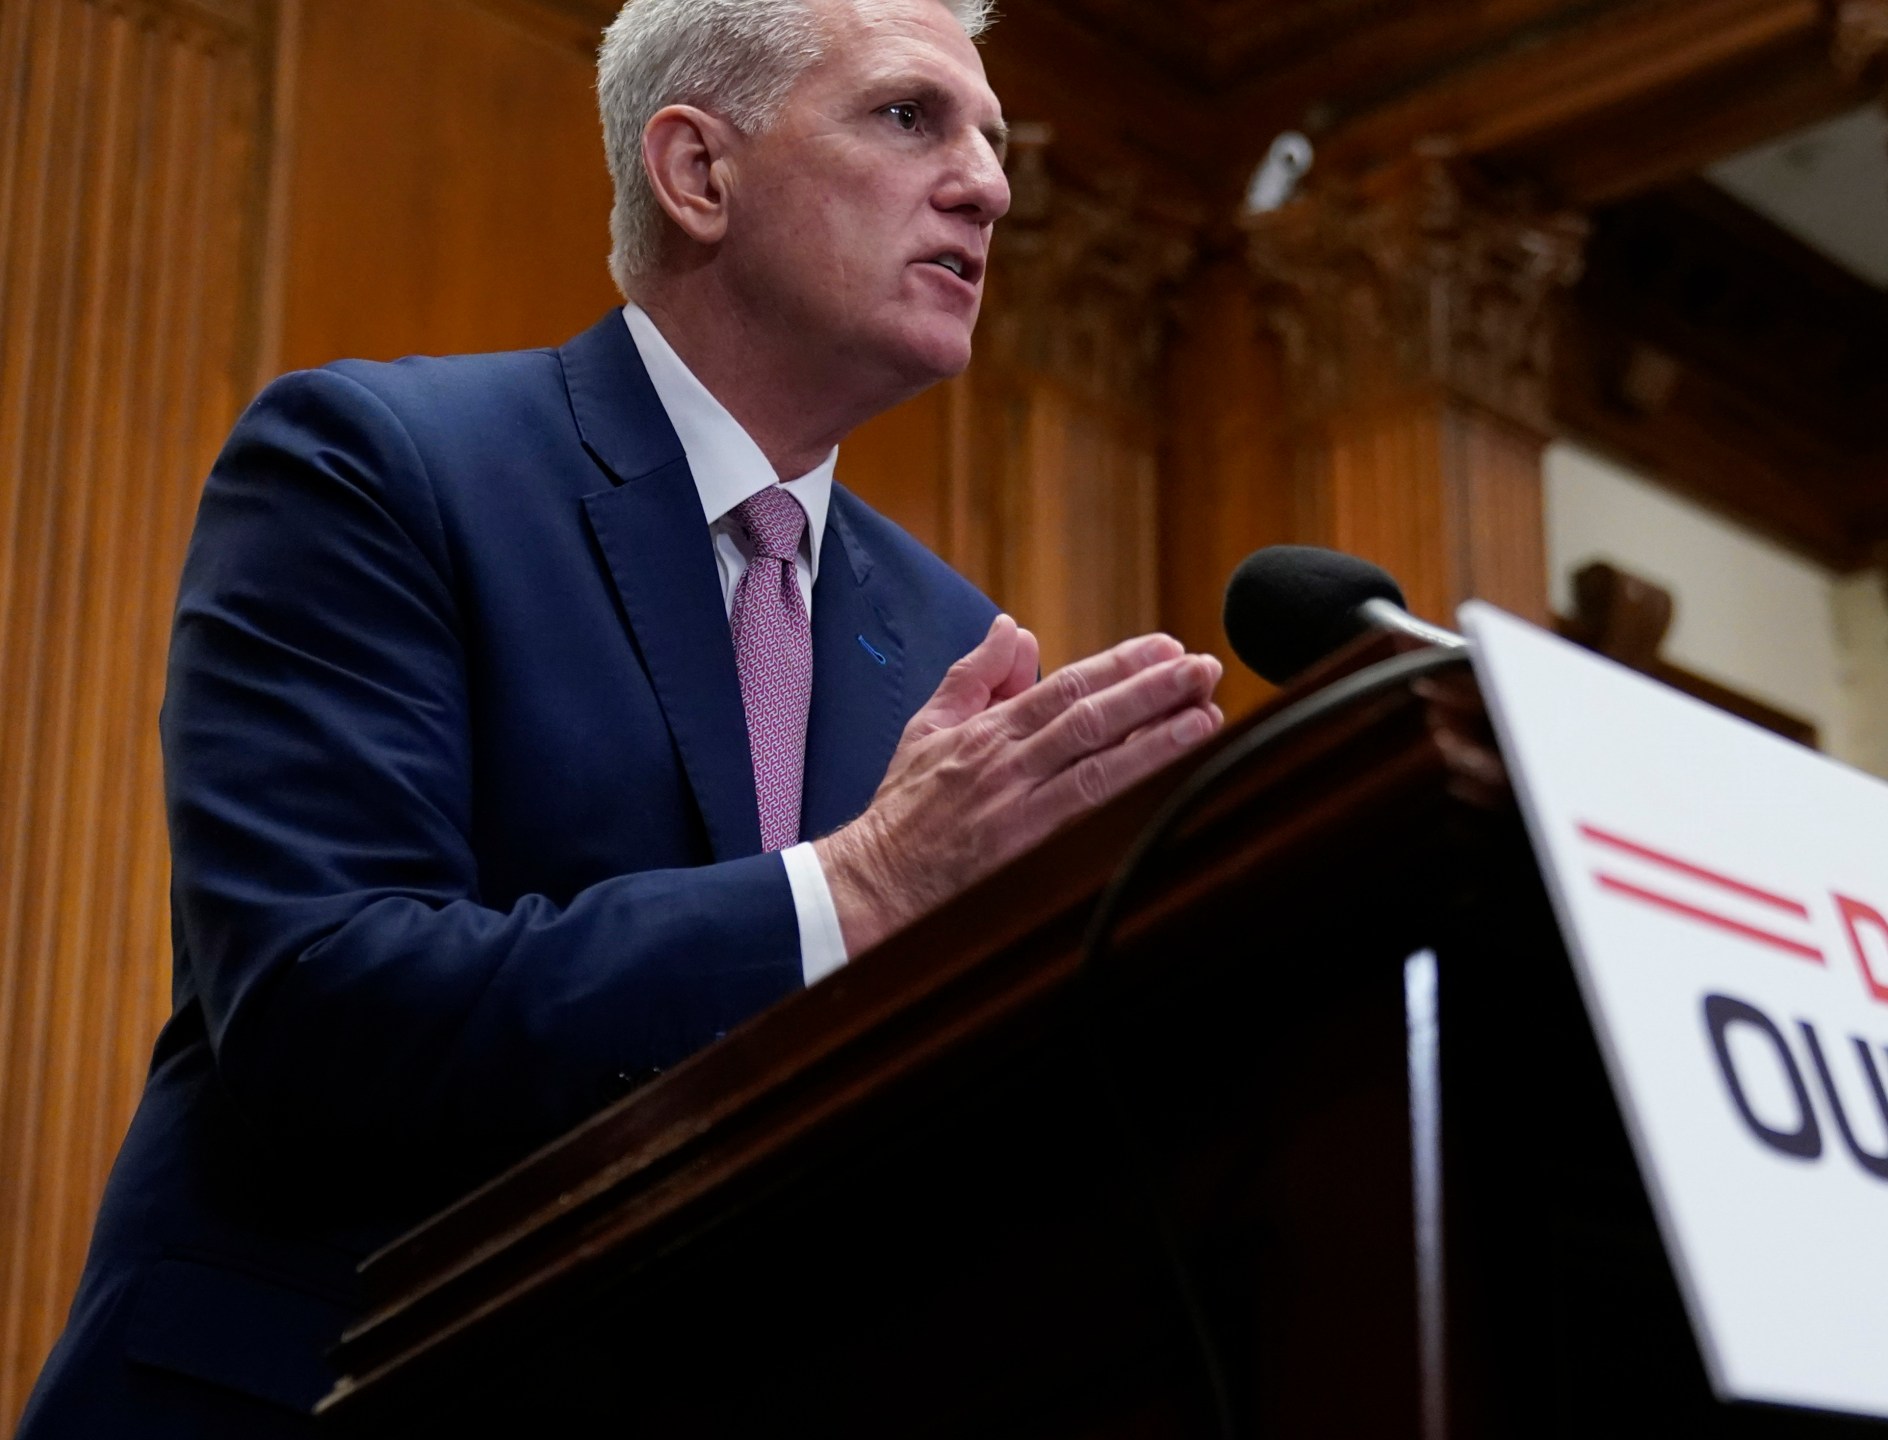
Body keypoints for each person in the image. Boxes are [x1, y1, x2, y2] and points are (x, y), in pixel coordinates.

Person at [13, 0, 1223, 1434]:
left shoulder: (959, 641)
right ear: (698, 173)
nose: (990, 184)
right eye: (911, 117)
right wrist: (865, 888)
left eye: (993, 140)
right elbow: (320, 999)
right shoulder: (376, 465)